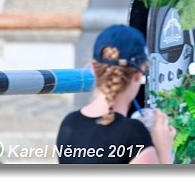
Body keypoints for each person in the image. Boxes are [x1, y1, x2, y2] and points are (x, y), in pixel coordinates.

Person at [55, 24, 176, 164]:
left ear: (93, 69)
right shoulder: (133, 134)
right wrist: (163, 149)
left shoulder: (70, 123)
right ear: (138, 74)